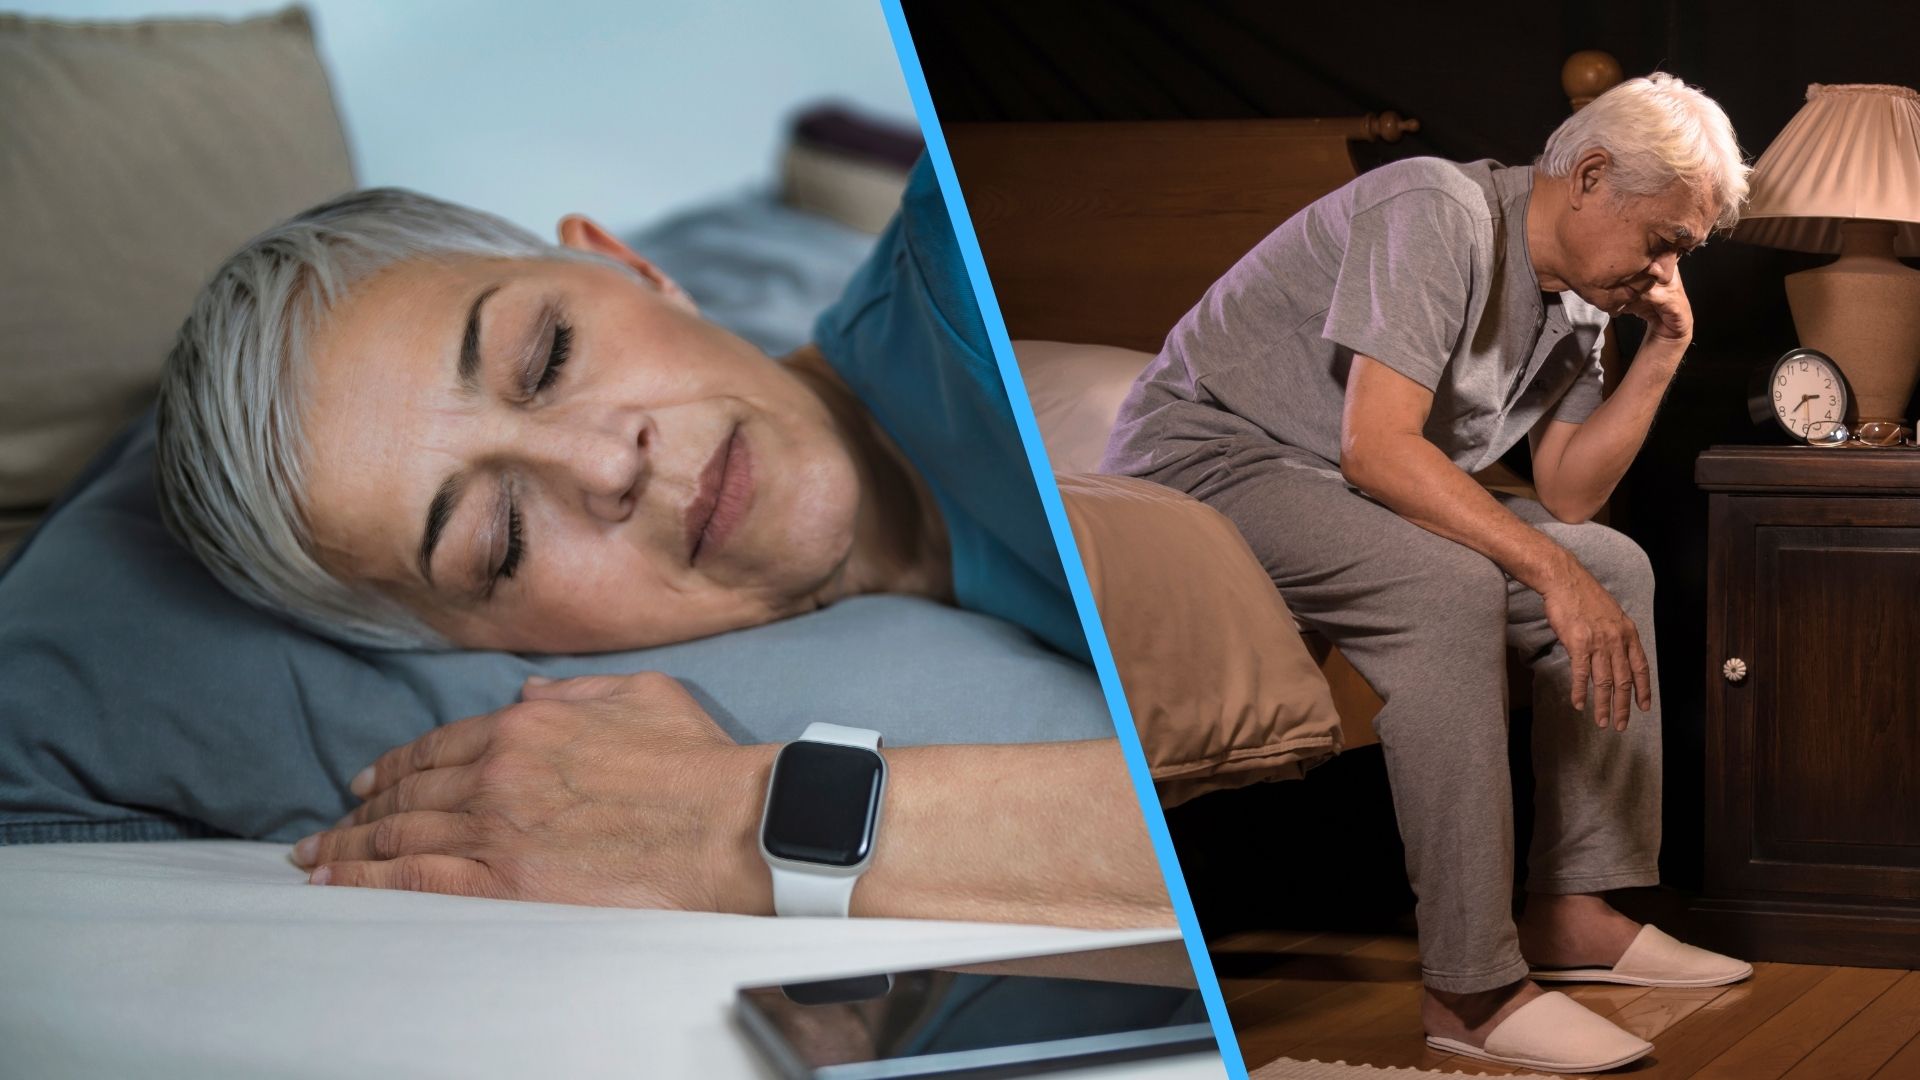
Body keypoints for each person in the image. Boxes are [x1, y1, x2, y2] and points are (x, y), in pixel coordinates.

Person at [155, 160, 1169, 930]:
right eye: (496, 541)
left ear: (630, 266)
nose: (603, 464)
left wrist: (726, 822)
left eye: (547, 355)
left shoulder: (965, 255)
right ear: (482, 647)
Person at [1101, 73, 1752, 1072]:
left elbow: (1572, 495)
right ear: (1586, 179)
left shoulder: (1583, 304)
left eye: (1681, 253)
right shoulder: (1434, 209)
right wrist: (1545, 573)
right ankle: (1471, 988)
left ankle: (1574, 910)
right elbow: (1375, 447)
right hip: (1216, 453)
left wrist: (1668, 345)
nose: (1664, 269)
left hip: (1343, 481)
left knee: (1610, 564)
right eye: (1663, 239)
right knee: (1449, 584)